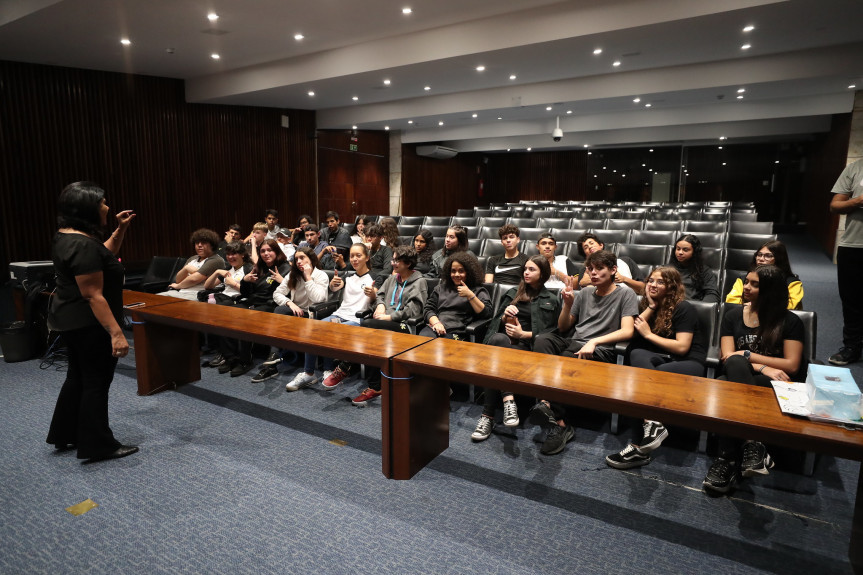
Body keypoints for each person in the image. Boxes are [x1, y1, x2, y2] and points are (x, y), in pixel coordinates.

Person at [46, 181, 139, 462]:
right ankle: (98, 445)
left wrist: (120, 230)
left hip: (71, 320)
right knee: (96, 382)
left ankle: (66, 433)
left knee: (77, 377)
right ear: (87, 208)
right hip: (90, 324)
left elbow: (103, 254)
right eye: (102, 203)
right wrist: (116, 333)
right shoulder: (82, 244)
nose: (107, 207)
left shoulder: (68, 237)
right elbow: (93, 295)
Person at [702, 265, 805, 494]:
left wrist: (748, 355)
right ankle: (752, 443)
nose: (746, 287)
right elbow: (729, 357)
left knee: (726, 385)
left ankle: (726, 459)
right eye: (746, 281)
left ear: (770, 289)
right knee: (734, 368)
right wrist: (762, 365)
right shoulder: (732, 316)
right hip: (745, 375)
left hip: (776, 384)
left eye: (754, 284)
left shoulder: (790, 322)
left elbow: (792, 365)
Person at [530, 250, 638, 455]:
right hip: (575, 341)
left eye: (599, 269)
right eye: (590, 269)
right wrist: (568, 305)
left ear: (613, 270)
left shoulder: (626, 294)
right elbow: (563, 327)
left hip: (602, 349)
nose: (593, 273)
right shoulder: (585, 293)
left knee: (566, 358)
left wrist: (594, 342)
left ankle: (559, 422)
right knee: (542, 340)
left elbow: (627, 330)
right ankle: (546, 402)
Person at [605, 266, 707, 469]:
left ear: (672, 287)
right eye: (651, 280)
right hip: (662, 359)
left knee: (644, 381)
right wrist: (651, 308)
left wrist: (649, 335)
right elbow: (632, 335)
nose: (653, 284)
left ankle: (637, 445)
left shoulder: (683, 308)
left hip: (688, 362)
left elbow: (682, 347)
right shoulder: (649, 304)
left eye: (660, 282)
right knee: (635, 354)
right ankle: (651, 425)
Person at [471, 256, 560, 443]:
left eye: (532, 269)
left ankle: (488, 414)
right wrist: (505, 315)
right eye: (525, 269)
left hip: (532, 348)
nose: (526, 272)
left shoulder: (551, 299)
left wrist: (525, 334)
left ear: (542, 274)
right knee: (497, 339)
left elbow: (553, 333)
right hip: (507, 345)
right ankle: (506, 401)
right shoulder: (513, 293)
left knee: (498, 354)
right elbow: (496, 323)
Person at [290, 243, 378, 390]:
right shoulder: (348, 275)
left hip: (358, 318)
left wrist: (373, 294)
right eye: (352, 256)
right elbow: (336, 287)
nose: (354, 259)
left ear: (367, 257)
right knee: (312, 329)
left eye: (358, 256)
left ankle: (328, 370)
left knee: (330, 331)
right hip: (340, 314)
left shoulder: (375, 277)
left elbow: (377, 297)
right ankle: (309, 373)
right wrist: (333, 286)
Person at [351, 246, 428, 406]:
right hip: (384, 322)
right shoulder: (392, 278)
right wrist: (379, 305)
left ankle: (347, 366)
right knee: (372, 339)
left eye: (396, 260)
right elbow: (379, 295)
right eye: (392, 259)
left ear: (407, 263)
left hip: (404, 325)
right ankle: (375, 386)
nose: (393, 263)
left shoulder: (419, 282)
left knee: (367, 325)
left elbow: (414, 310)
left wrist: (389, 316)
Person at [250, 247, 329, 386]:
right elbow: (277, 293)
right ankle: (273, 357)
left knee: (280, 313)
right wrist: (289, 303)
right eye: (296, 258)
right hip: (296, 311)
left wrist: (308, 277)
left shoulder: (321, 275)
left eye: (302, 258)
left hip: (312, 314)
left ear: (311, 259)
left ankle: (282, 357)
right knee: (280, 309)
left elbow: (318, 299)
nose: (299, 261)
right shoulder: (292, 275)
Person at [215, 239, 290, 377]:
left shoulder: (285, 268)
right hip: (252, 301)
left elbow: (290, 294)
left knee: (245, 318)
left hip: (270, 305)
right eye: (262, 251)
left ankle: (245, 361)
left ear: (277, 252)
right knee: (223, 314)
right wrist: (245, 281)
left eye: (269, 250)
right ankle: (230, 358)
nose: (266, 253)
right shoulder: (259, 267)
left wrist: (283, 282)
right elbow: (246, 293)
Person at [829, 157, 863, 366]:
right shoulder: (855, 167)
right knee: (851, 300)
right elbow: (835, 205)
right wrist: (858, 201)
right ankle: (852, 346)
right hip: (853, 245)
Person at [421, 252, 492, 340]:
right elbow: (428, 309)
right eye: (453, 271)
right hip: (436, 327)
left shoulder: (477, 290)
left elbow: (486, 314)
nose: (457, 274)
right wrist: (436, 323)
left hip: (457, 332)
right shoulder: (440, 288)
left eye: (461, 271)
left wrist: (470, 295)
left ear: (469, 272)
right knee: (422, 342)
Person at [725, 240, 804, 309]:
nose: (761, 259)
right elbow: (732, 302)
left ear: (779, 259)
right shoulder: (744, 279)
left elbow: (790, 307)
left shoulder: (792, 283)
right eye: (759, 255)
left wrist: (755, 307)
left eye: (768, 256)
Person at [158, 228, 225, 300]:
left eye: (203, 243)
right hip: (181, 292)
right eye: (197, 243)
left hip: (197, 294)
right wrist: (186, 268)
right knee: (154, 299)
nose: (199, 245)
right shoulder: (193, 258)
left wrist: (178, 286)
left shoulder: (216, 260)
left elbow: (195, 279)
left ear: (212, 245)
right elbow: (178, 279)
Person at [576, 232, 644, 294]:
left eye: (591, 243)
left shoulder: (626, 261)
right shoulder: (585, 270)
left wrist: (624, 279)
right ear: (585, 254)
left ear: (601, 245)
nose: (590, 247)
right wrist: (584, 284)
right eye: (586, 247)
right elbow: (584, 295)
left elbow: (643, 289)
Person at [669, 234, 719, 302]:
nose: (680, 252)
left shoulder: (704, 271)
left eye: (685, 250)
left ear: (694, 252)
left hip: (691, 307)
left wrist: (699, 308)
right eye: (678, 249)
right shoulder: (666, 269)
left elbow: (712, 294)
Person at [365, 223, 393, 288]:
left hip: (379, 282)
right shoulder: (363, 249)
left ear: (381, 237)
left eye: (372, 236)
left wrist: (372, 277)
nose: (369, 239)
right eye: (367, 236)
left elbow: (388, 269)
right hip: (363, 279)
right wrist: (363, 249)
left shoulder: (386, 250)